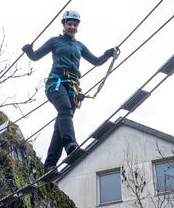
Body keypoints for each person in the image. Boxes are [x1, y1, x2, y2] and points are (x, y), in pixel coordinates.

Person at [22, 10, 118, 172]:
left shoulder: (79, 46)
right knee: (65, 111)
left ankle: (50, 165)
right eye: (69, 24)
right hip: (56, 84)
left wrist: (109, 54)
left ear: (77, 27)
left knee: (61, 125)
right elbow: (36, 56)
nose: (72, 27)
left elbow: (96, 61)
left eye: (75, 25)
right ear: (64, 25)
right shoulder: (55, 41)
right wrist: (29, 51)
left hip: (73, 88)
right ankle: (70, 145)